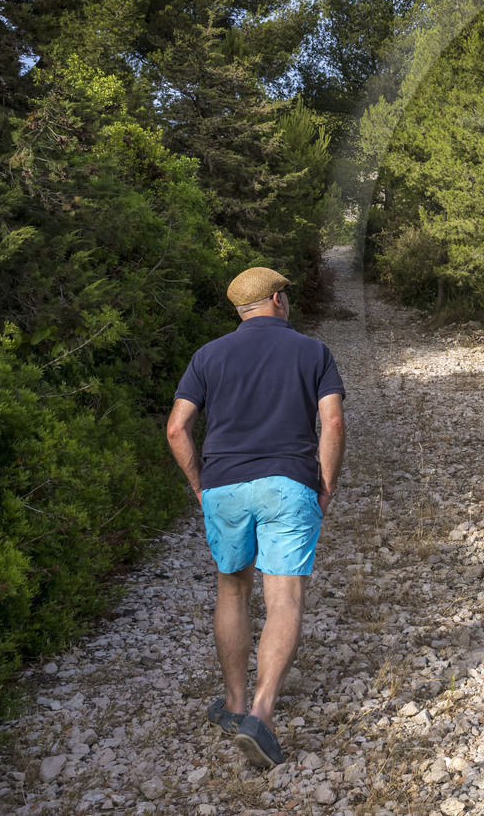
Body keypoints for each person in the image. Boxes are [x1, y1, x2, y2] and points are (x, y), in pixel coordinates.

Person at [166, 266, 346, 770]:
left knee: (232, 589)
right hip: (288, 482)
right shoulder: (313, 352)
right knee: (283, 593)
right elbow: (331, 420)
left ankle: (235, 704)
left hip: (223, 486)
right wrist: (325, 485)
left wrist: (202, 488)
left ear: (241, 311)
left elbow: (177, 429)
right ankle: (261, 717)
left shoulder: (207, 355)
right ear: (277, 299)